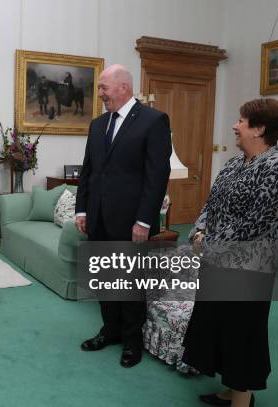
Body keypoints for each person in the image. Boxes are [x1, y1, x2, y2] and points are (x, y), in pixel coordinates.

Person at [183, 98, 278, 407]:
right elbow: (212, 201)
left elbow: (259, 222)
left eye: (242, 121)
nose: (235, 125)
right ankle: (229, 390)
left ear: (259, 129)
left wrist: (211, 243)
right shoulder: (234, 162)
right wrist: (200, 229)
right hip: (217, 261)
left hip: (249, 267)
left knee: (242, 333)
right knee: (219, 326)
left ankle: (241, 401)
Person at [75, 64, 172, 368]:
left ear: (124, 87)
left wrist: (144, 220)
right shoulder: (97, 123)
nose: (100, 93)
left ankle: (132, 342)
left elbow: (157, 176)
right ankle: (110, 331)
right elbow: (88, 170)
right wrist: (82, 208)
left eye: (104, 87)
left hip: (132, 222)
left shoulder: (153, 121)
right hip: (98, 218)